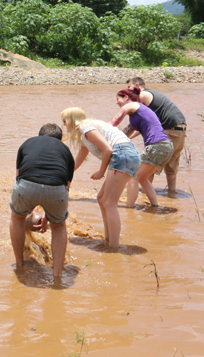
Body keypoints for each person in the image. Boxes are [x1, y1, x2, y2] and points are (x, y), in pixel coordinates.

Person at [61, 107, 141, 248]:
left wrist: (101, 171)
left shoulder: (85, 127)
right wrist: (68, 173)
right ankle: (108, 239)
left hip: (122, 155)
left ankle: (113, 247)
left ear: (72, 120)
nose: (64, 125)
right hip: (127, 155)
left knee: (109, 203)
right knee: (101, 199)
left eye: (65, 121)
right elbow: (81, 155)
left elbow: (108, 149)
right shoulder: (85, 133)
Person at [10, 123, 74, 278]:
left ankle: (19, 264)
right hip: (56, 189)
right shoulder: (65, 151)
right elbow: (66, 187)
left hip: (26, 186)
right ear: (60, 140)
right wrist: (49, 217)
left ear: (39, 135)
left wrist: (31, 207)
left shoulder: (28, 143)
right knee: (58, 226)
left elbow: (19, 177)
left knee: (17, 218)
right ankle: (57, 274)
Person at [111, 87, 173, 208]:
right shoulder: (138, 113)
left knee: (132, 176)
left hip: (157, 145)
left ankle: (129, 208)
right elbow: (124, 134)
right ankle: (155, 206)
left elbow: (113, 123)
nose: (117, 102)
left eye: (118, 99)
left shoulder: (132, 105)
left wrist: (98, 128)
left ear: (126, 98)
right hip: (166, 146)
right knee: (142, 178)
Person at [126, 77, 186, 193]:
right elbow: (144, 126)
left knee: (150, 163)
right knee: (171, 167)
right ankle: (171, 193)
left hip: (168, 130)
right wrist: (128, 137)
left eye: (129, 87)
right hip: (179, 130)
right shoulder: (154, 95)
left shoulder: (143, 94)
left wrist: (120, 136)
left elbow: (133, 123)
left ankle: (145, 194)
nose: (128, 91)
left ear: (137, 85)